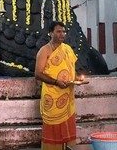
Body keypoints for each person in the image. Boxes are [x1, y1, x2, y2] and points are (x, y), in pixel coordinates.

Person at [35, 21, 83, 150]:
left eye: (64, 31)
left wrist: (77, 79)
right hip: (52, 96)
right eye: (58, 31)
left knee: (68, 128)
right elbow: (38, 74)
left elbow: (70, 69)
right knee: (53, 130)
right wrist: (56, 82)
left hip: (67, 95)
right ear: (51, 33)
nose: (62, 34)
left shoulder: (67, 49)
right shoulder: (44, 50)